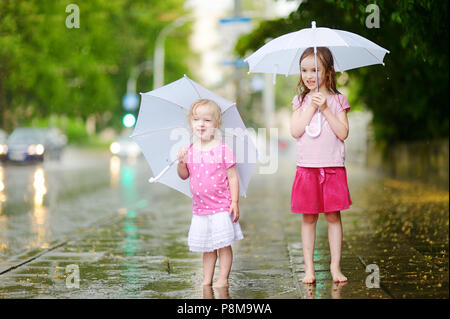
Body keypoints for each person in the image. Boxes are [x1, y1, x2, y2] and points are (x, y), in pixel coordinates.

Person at [290, 47, 352, 284]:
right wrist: (310, 108)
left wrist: (325, 108)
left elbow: (343, 133)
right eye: (304, 70)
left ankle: (335, 267)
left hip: (333, 167)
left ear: (328, 73)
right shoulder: (299, 100)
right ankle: (309, 269)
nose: (309, 75)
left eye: (315, 70)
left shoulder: (338, 100)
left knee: (333, 217)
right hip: (307, 169)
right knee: (308, 219)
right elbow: (296, 131)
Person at [177, 98, 243, 288]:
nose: (201, 124)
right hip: (200, 209)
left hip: (221, 206)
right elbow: (184, 175)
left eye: (207, 120)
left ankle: (222, 278)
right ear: (191, 122)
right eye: (197, 119)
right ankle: (207, 279)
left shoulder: (223, 149)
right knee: (207, 248)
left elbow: (232, 177)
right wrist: (182, 162)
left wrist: (235, 201)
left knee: (223, 244)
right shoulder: (189, 150)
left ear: (216, 124)